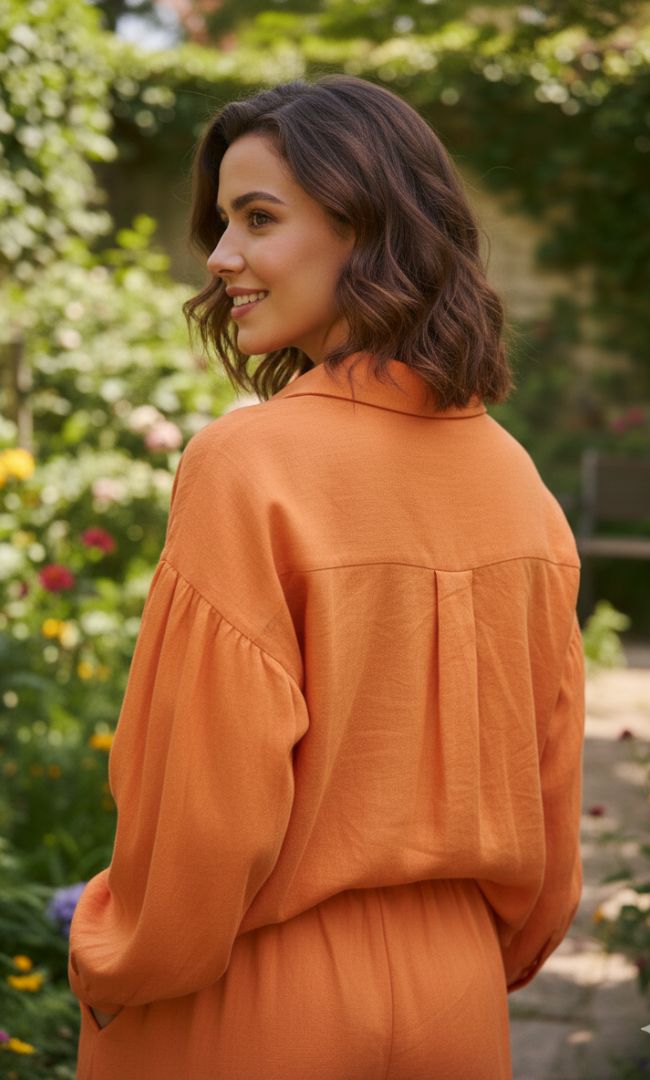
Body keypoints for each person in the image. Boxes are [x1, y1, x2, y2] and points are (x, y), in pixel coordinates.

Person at [68, 74, 585, 1079]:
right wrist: (473, 956)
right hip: (457, 994)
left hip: (255, 990)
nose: (220, 256)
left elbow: (205, 801)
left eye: (258, 218)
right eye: (224, 222)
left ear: (368, 229)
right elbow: (550, 784)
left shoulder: (246, 464)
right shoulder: (517, 482)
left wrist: (118, 953)